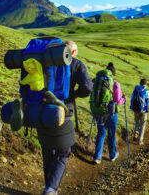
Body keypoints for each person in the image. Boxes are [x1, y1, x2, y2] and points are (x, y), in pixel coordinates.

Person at [39, 41, 92, 195]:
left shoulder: (46, 60)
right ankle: (50, 188)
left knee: (47, 150)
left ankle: (49, 185)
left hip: (41, 111)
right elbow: (87, 87)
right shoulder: (76, 64)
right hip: (63, 112)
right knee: (63, 151)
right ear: (73, 51)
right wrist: (75, 94)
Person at [93, 63, 125, 164]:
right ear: (113, 75)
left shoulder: (99, 81)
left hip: (99, 112)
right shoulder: (115, 84)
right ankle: (112, 155)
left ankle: (97, 157)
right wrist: (124, 99)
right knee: (111, 134)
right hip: (111, 113)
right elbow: (118, 100)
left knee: (101, 133)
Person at [130, 79, 149, 146]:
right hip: (143, 110)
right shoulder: (147, 91)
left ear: (139, 83)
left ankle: (136, 132)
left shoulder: (135, 90)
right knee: (142, 124)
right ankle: (140, 140)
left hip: (135, 109)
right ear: (145, 84)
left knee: (136, 121)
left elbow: (131, 99)